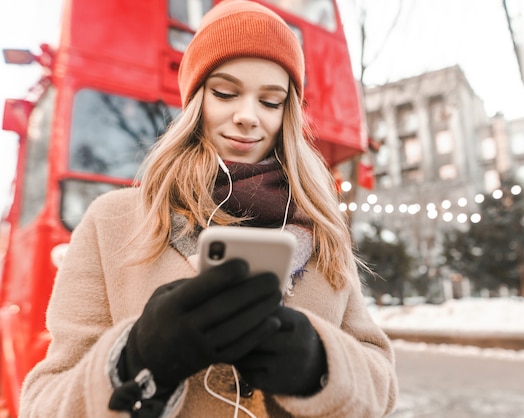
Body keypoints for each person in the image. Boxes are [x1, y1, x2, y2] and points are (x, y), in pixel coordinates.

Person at [19, 1, 398, 417]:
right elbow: (43, 402)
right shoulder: (112, 220)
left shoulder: (322, 226)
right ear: (196, 100)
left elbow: (381, 385)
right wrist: (135, 357)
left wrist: (320, 366)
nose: (248, 117)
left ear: (287, 112)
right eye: (225, 93)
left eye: (270, 101)